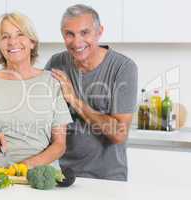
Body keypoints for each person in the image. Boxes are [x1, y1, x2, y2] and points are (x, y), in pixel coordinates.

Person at [0, 12, 73, 168]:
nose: (12, 42)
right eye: (5, 37)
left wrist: (23, 168)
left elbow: (60, 145)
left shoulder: (51, 82)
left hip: (39, 181)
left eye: (20, 34)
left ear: (32, 42)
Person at [45, 4, 138, 181]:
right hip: (62, 175)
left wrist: (73, 99)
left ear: (99, 31)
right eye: (69, 34)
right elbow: (38, 106)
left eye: (84, 33)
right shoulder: (56, 62)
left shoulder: (123, 68)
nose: (77, 42)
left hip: (107, 178)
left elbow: (119, 133)